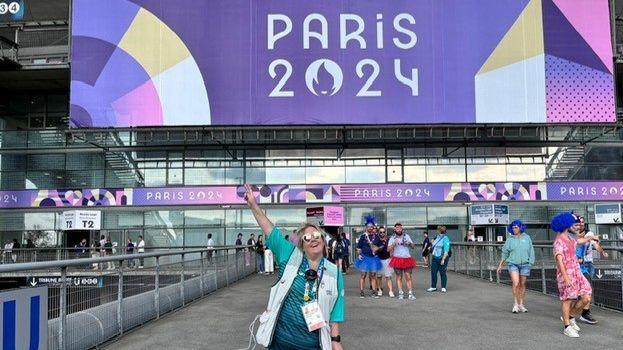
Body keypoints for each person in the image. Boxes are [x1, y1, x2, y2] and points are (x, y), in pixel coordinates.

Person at [243, 184, 344, 350]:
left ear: (323, 241)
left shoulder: (334, 272)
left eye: (317, 235)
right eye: (307, 237)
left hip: (314, 345)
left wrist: (336, 340)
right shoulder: (289, 256)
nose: (313, 239)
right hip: (279, 343)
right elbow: (269, 229)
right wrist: (253, 204)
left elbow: (336, 311)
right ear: (302, 245)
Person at [552, 212, 600, 338]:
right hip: (566, 274)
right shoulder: (558, 242)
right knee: (567, 300)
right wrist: (566, 277)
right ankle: (567, 326)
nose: (575, 226)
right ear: (565, 224)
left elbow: (579, 241)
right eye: (573, 223)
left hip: (577, 272)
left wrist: (590, 238)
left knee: (586, 297)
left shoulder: (570, 238)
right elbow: (559, 261)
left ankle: (571, 316)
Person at [496, 220, 535, 313]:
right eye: (513, 227)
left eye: (516, 227)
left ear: (520, 227)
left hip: (525, 264)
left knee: (522, 284)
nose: (514, 229)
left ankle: (521, 304)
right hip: (513, 264)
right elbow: (505, 253)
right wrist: (500, 265)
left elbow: (531, 250)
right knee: (516, 283)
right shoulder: (510, 239)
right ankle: (515, 304)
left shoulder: (527, 237)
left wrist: (530, 262)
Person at [575, 216, 607, 324]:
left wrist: (602, 252)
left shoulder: (589, 234)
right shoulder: (569, 235)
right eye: (578, 223)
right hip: (573, 267)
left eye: (582, 223)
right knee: (572, 293)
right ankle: (569, 315)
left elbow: (596, 245)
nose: (581, 225)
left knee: (587, 289)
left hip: (585, 265)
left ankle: (585, 313)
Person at [388, 223, 416, 300]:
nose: (399, 229)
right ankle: (401, 293)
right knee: (399, 277)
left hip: (407, 259)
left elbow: (413, 246)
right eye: (397, 228)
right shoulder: (392, 238)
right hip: (397, 259)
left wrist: (409, 243)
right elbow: (388, 249)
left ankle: (410, 293)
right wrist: (394, 244)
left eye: (400, 227)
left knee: (408, 276)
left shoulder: (406, 236)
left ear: (402, 228)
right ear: (395, 229)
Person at [355, 220, 382, 299]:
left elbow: (381, 246)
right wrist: (359, 254)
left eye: (371, 226)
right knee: (363, 275)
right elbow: (358, 247)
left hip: (373, 259)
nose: (370, 228)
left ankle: (374, 291)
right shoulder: (363, 236)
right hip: (364, 258)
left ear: (373, 227)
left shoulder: (376, 236)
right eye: (368, 226)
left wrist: (378, 248)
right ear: (366, 227)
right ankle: (362, 291)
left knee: (373, 275)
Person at [428, 225, 451, 293]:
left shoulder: (446, 238)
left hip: (442, 257)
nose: (437, 231)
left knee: (442, 272)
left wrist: (443, 259)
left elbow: (446, 250)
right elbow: (434, 245)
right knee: (433, 272)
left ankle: (443, 287)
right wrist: (431, 244)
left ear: (439, 230)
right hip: (435, 257)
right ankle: (433, 287)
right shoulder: (436, 237)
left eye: (438, 230)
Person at [375, 226, 395, 297]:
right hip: (379, 260)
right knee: (379, 277)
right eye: (381, 232)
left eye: (383, 232)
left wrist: (391, 256)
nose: (382, 233)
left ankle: (390, 291)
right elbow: (374, 249)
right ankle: (379, 290)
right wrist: (378, 248)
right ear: (378, 232)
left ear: (385, 232)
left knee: (388, 277)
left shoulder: (388, 239)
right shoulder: (376, 240)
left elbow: (391, 248)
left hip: (387, 260)